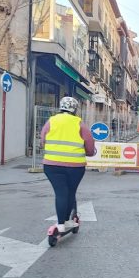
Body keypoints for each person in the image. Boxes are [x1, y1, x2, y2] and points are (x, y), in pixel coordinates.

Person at [41, 97, 96, 233]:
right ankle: (67, 221)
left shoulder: (51, 121)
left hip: (51, 166)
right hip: (75, 167)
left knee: (60, 192)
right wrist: (89, 152)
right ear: (75, 109)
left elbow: (43, 141)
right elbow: (89, 147)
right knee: (70, 192)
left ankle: (60, 224)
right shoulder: (79, 123)